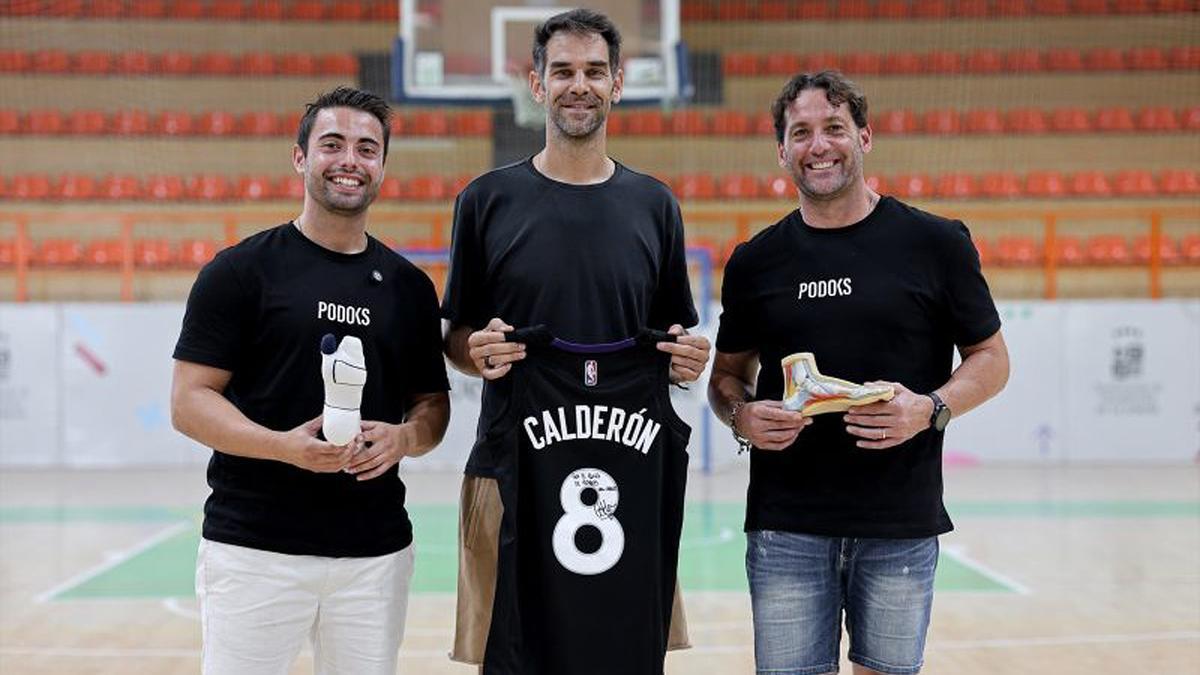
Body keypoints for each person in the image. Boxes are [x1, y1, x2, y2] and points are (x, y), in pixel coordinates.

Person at [707, 71, 1009, 675]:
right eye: (801, 133)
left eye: (834, 128)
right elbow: (726, 377)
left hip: (899, 524)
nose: (818, 145)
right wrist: (742, 417)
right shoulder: (755, 262)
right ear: (782, 151)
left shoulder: (936, 243)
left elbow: (992, 359)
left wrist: (929, 408)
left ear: (864, 137)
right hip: (786, 526)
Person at [440, 8, 711, 670]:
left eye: (594, 71)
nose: (578, 85)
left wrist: (687, 359)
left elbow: (674, 340)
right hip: (511, 468)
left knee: (622, 652)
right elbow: (456, 337)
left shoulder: (655, 205)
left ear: (618, 83)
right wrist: (475, 350)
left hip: (629, 473)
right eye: (562, 71)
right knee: (511, 654)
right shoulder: (485, 200)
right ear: (536, 84)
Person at [170, 86, 450, 674]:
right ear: (300, 158)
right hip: (254, 550)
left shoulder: (409, 289)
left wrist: (404, 438)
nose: (350, 160)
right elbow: (189, 402)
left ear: (382, 167)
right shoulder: (240, 271)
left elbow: (432, 406)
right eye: (332, 144)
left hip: (374, 555)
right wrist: (282, 447)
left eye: (367, 149)